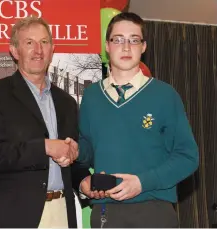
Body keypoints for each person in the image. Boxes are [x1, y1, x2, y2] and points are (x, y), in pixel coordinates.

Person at [78, 12, 199, 228]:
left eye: (134, 40)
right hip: (105, 211)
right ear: (107, 45)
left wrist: (142, 182)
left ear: (143, 47)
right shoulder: (91, 96)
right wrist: (73, 151)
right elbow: (86, 151)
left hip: (154, 211)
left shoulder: (165, 95)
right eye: (118, 39)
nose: (126, 47)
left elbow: (188, 157)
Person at [0, 16, 89, 228]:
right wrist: (45, 147)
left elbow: (71, 163)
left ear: (52, 49)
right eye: (29, 43)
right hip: (12, 216)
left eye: (44, 42)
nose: (38, 50)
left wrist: (78, 167)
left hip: (62, 212)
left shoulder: (67, 102)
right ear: (14, 51)